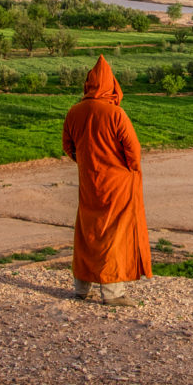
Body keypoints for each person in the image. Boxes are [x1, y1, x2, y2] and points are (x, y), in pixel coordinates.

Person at [62, 55, 151, 306]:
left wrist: (86, 164)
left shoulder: (75, 111)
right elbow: (133, 150)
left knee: (87, 231)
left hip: (89, 182)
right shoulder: (115, 113)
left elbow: (68, 146)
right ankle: (112, 293)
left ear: (89, 84)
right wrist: (128, 169)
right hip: (117, 184)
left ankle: (81, 288)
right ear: (111, 84)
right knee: (114, 232)